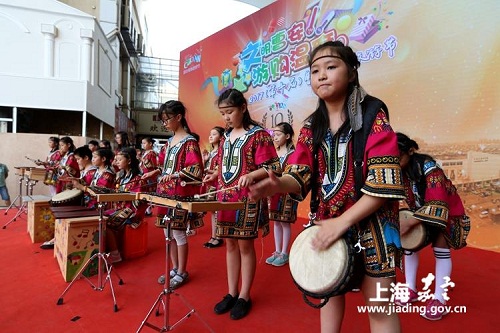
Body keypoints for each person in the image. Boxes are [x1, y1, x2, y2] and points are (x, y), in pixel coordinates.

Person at [248, 41, 405, 333]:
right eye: (315, 70)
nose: (321, 75)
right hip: (326, 222)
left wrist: (341, 223)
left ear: (352, 73)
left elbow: (383, 183)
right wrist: (277, 185)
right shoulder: (311, 125)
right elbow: (300, 173)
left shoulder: (372, 114)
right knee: (328, 293)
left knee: (380, 309)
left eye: (331, 67)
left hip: (373, 226)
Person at [202, 88, 281, 320]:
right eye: (223, 113)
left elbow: (274, 167)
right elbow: (225, 164)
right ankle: (231, 292)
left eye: (230, 111)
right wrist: (215, 175)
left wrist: (253, 176)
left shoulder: (259, 135)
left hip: (248, 199)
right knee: (229, 245)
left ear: (243, 108)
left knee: (245, 247)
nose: (226, 117)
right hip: (226, 198)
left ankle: (245, 295)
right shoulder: (225, 136)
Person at [395, 132, 469, 321]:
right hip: (420, 212)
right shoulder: (398, 170)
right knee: (408, 246)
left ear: (410, 151)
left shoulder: (430, 168)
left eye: (398, 157)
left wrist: (410, 221)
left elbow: (439, 205)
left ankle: (439, 300)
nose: (394, 162)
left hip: (447, 213)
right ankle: (410, 289)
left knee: (440, 248)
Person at [141, 100, 204, 290]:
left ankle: (182, 271)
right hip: (163, 193)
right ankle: (175, 268)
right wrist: (155, 172)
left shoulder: (189, 142)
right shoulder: (168, 143)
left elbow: (195, 169)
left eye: (167, 119)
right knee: (167, 232)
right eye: (163, 120)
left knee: (178, 232)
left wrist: (175, 174)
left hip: (179, 194)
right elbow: (163, 165)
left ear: (179, 117)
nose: (165, 123)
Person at [105, 147, 147, 263]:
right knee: (100, 217)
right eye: (115, 159)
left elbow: (140, 201)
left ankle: (115, 254)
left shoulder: (138, 178)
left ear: (129, 161)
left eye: (119, 159)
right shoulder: (121, 177)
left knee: (107, 223)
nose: (116, 162)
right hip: (120, 208)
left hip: (132, 212)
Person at [265, 122, 298, 267]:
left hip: (287, 194)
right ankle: (277, 251)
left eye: (278, 135)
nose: (275, 137)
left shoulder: (293, 154)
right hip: (274, 194)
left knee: (285, 222)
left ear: (288, 136)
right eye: (274, 135)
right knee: (276, 222)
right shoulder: (274, 154)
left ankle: (285, 253)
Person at [202, 126, 225, 248]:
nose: (210, 136)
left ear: (221, 137)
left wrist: (208, 170)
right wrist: (205, 161)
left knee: (216, 210)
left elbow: (219, 170)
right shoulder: (211, 153)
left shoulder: (222, 152)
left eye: (214, 134)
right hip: (210, 184)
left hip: (217, 184)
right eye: (210, 134)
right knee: (212, 211)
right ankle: (213, 235)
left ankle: (218, 237)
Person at [139, 137, 159, 216]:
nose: (143, 145)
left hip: (150, 175)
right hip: (144, 174)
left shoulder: (152, 153)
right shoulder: (145, 153)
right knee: (146, 191)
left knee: (149, 192)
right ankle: (147, 209)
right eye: (142, 143)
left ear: (150, 144)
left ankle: (149, 209)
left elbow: (152, 166)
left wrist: (143, 161)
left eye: (144, 143)